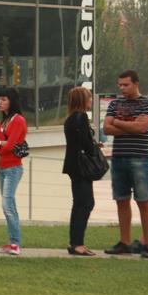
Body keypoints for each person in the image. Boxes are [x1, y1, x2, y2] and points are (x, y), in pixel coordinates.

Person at [102, 70, 148, 258]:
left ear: (136, 83)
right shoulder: (115, 103)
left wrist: (118, 122)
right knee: (121, 200)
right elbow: (106, 128)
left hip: (141, 158)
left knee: (144, 201)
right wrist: (130, 126)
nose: (122, 88)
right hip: (119, 158)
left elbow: (143, 127)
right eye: (120, 85)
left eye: (126, 84)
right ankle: (124, 242)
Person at [0, 87, 29, 255]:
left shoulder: (18, 120)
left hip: (13, 168)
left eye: (3, 99)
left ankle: (15, 244)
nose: (0, 102)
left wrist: (1, 144)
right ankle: (12, 242)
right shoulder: (3, 122)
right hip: (2, 168)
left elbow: (11, 145)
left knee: (7, 205)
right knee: (9, 205)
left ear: (11, 101)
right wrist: (1, 144)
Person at [62, 86, 98, 256]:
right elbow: (86, 144)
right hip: (81, 166)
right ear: (83, 100)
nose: (91, 101)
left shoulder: (69, 119)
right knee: (85, 203)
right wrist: (94, 146)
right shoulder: (81, 117)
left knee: (79, 203)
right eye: (89, 98)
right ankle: (78, 243)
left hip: (73, 165)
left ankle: (75, 242)